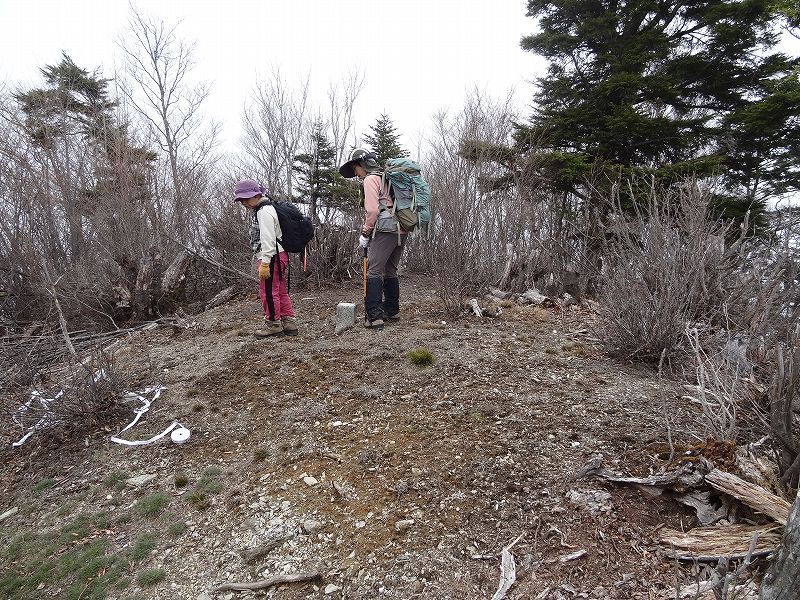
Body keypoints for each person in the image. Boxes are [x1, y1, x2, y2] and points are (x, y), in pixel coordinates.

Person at [339, 149, 407, 330]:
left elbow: (373, 211)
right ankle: (392, 310)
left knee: (374, 271)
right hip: (402, 228)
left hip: (385, 228)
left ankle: (374, 316)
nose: (356, 174)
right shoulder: (387, 177)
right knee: (390, 270)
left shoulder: (370, 179)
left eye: (355, 169)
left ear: (362, 165)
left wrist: (365, 233)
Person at [233, 179, 299, 338]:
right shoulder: (266, 208)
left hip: (271, 257)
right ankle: (289, 323)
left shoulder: (264, 211)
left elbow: (268, 238)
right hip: (278, 256)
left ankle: (273, 325)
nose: (244, 203)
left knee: (268, 292)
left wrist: (265, 262)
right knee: (280, 291)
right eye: (241, 200)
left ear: (256, 195)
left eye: (246, 199)